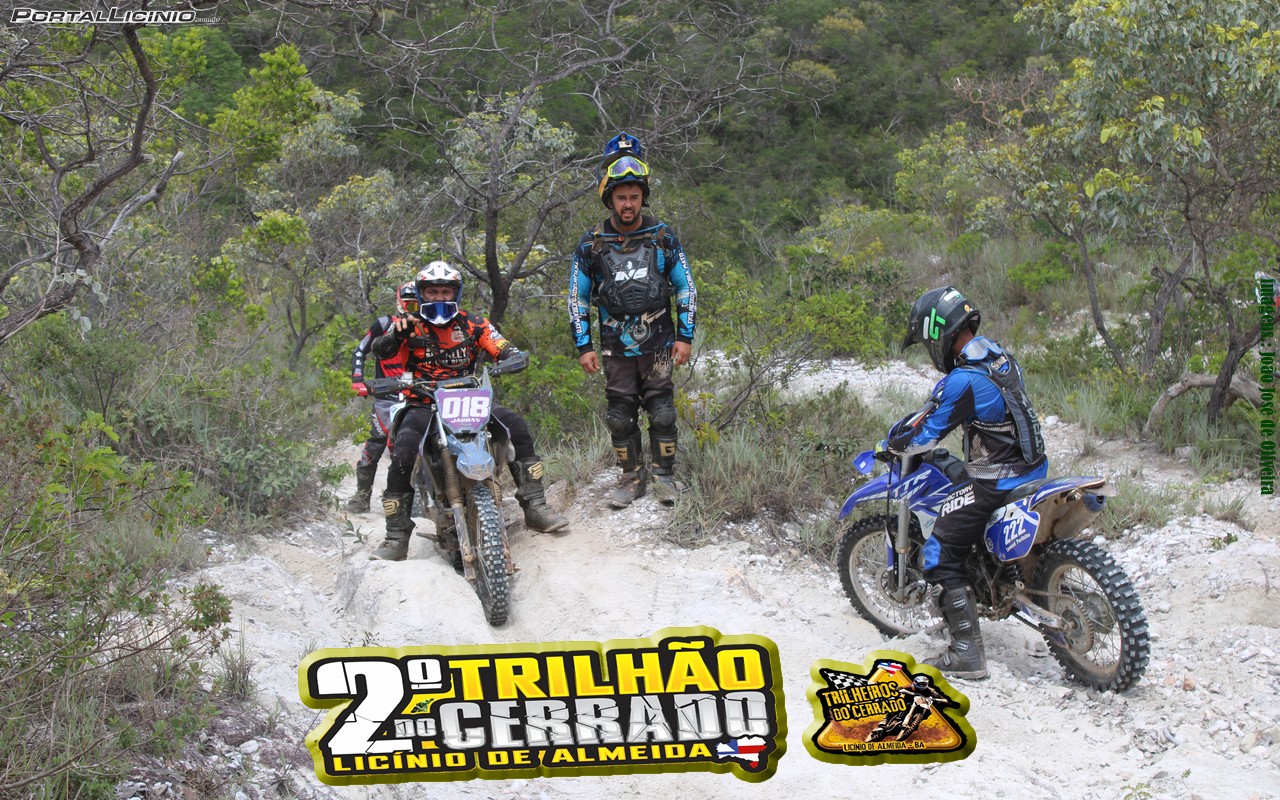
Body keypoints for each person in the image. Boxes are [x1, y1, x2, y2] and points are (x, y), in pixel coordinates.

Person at [888, 286, 1048, 679]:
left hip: (998, 479)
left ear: (938, 334)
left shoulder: (961, 380)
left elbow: (926, 436)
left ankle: (966, 654)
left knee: (938, 553)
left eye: (927, 342)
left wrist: (893, 444)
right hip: (1034, 470)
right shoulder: (999, 356)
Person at [369, 260, 568, 563]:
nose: (439, 298)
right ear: (421, 294)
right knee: (403, 449)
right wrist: (396, 336)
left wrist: (512, 357)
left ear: (456, 293)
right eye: (432, 292)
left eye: (445, 292)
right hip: (423, 402)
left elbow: (501, 345)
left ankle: (535, 506)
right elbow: (382, 349)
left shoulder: (474, 323)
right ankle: (396, 536)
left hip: (469, 398)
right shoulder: (408, 325)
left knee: (516, 425)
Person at [569, 132, 697, 508]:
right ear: (609, 198)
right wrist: (583, 345)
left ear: (643, 197)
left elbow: (685, 287)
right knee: (620, 415)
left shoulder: (662, 236)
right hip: (614, 345)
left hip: (659, 341)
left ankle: (664, 477)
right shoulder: (590, 244)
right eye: (622, 197)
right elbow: (576, 298)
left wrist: (685, 336)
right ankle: (631, 477)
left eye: (634, 196)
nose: (628, 204)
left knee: (662, 410)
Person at [346, 281, 418, 513]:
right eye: (409, 304)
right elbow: (360, 350)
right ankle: (362, 495)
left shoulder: (430, 327)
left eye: (417, 304)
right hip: (387, 396)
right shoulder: (384, 324)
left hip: (420, 394)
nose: (413, 309)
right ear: (399, 302)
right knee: (375, 443)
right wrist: (358, 379)